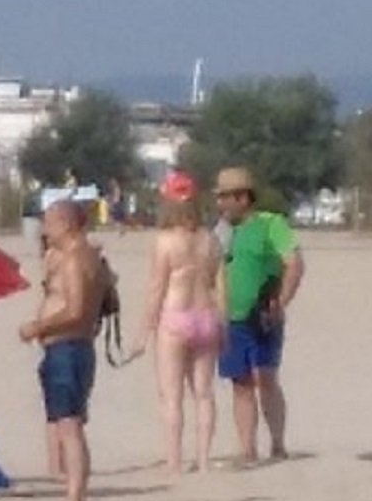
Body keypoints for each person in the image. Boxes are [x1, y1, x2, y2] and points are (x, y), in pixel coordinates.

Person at [126, 171, 223, 476]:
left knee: (171, 396)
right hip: (206, 315)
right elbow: (220, 284)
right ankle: (204, 460)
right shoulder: (210, 239)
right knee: (204, 394)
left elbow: (157, 287)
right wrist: (225, 323)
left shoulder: (165, 241)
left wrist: (144, 331)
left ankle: (175, 462)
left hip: (175, 316)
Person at [18, 199, 106, 501]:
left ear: (65, 223)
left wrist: (36, 327)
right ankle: (77, 500)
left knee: (70, 428)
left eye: (49, 223)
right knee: (68, 426)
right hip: (71, 348)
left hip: (68, 348)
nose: (45, 229)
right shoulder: (88, 256)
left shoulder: (75, 260)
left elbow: (75, 310)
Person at [213, 167, 304, 464]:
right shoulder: (222, 231)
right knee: (240, 382)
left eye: (225, 197)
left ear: (243, 197)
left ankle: (277, 444)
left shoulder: (271, 224)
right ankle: (247, 449)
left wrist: (282, 301)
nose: (220, 204)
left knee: (265, 376)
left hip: (264, 314)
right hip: (231, 317)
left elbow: (293, 263)